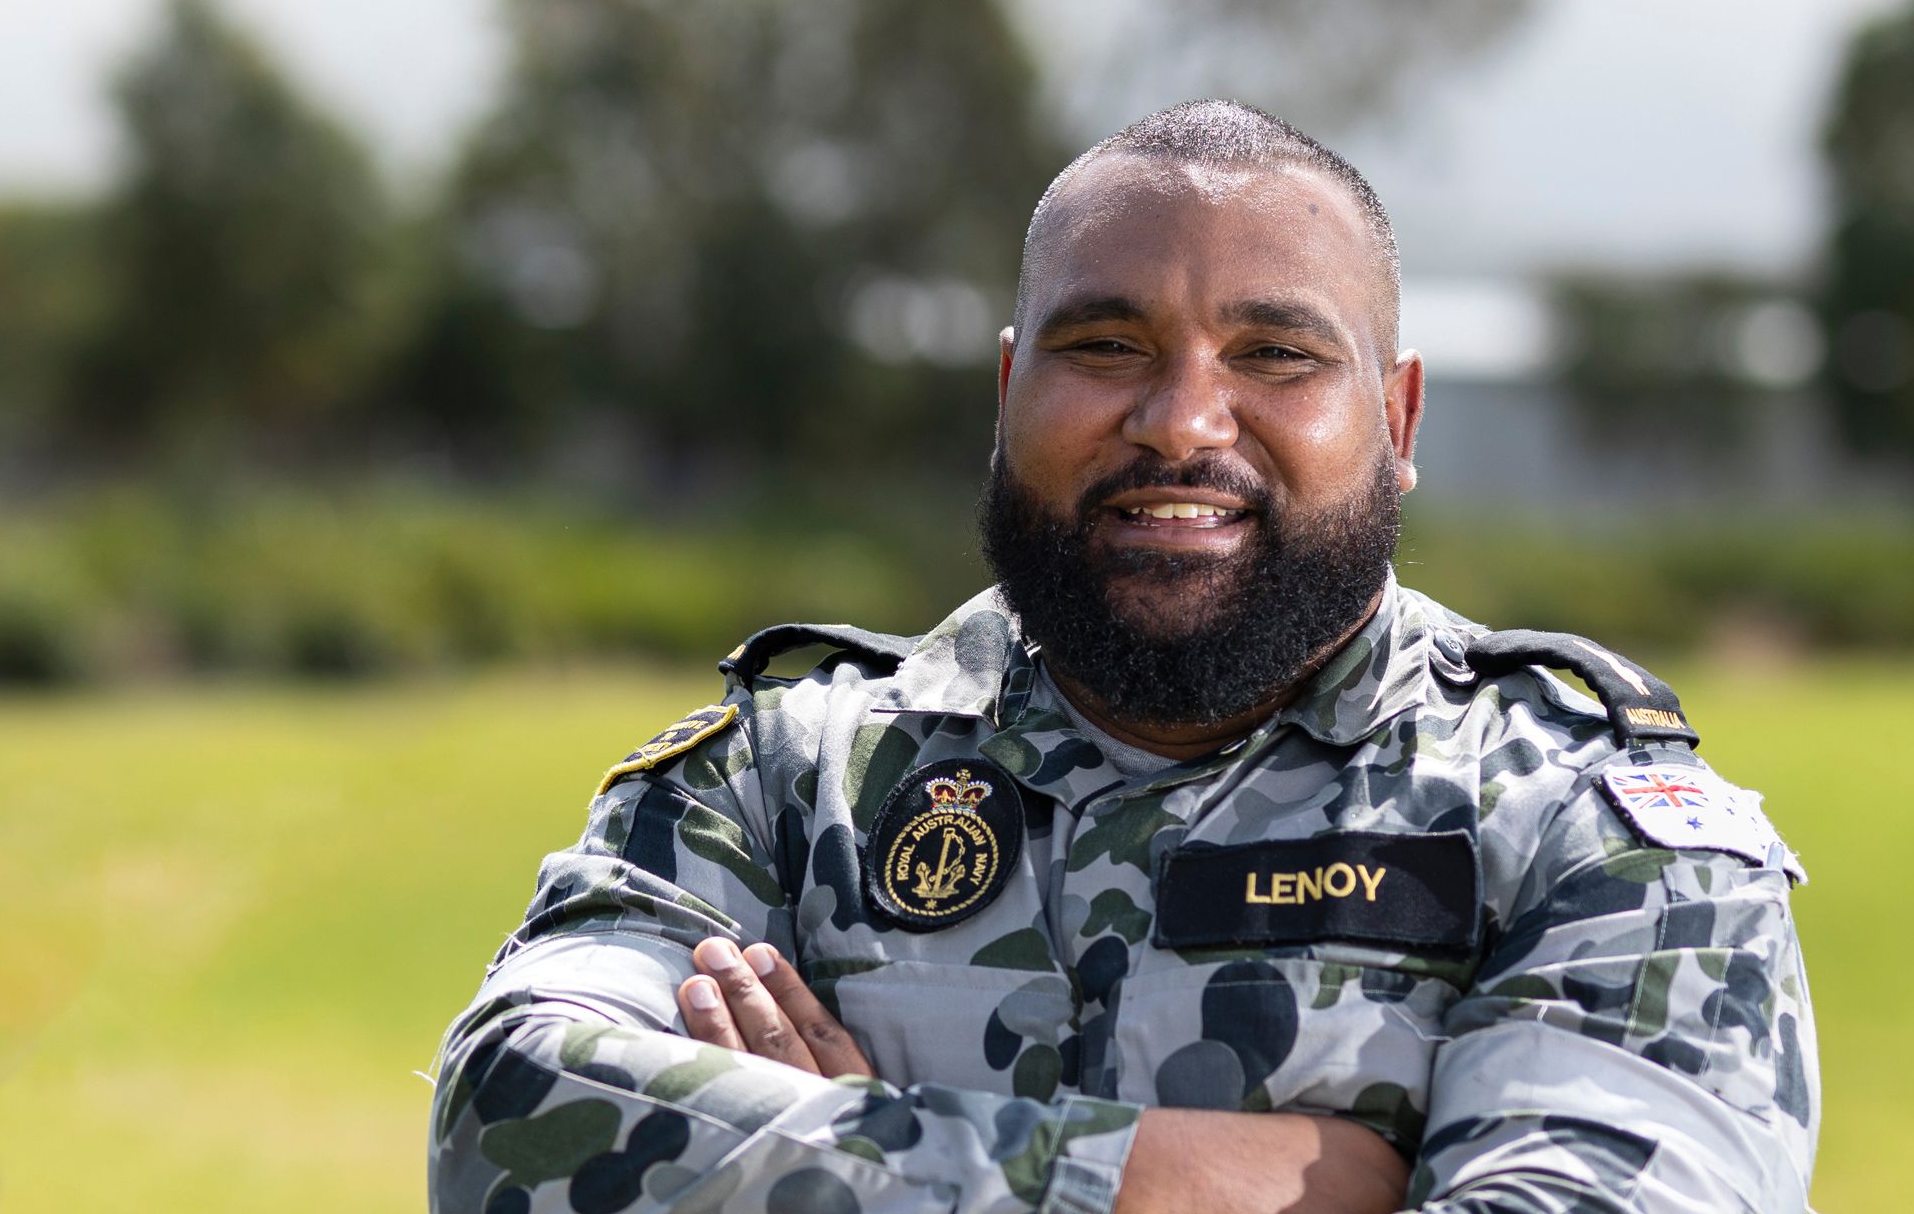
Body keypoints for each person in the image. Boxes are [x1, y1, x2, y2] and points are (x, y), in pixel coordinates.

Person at [429, 100, 1817, 1214]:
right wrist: (1151, 1181)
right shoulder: (785, 784)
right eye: (1107, 343)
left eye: (1275, 352)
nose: (1181, 421)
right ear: (1008, 390)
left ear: (1396, 418)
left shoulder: (1599, 834)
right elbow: (510, 1121)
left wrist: (839, 1150)